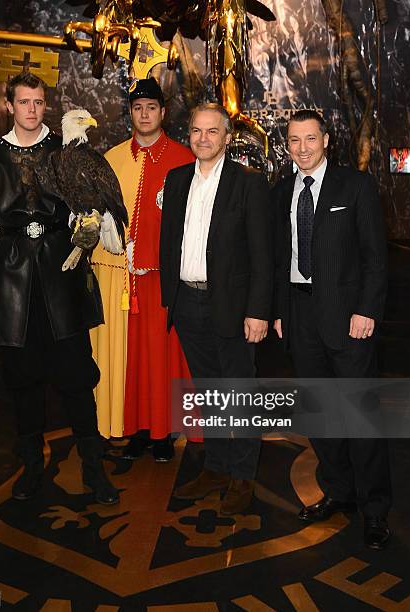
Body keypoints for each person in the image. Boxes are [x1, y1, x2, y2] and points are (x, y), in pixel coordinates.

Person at [0, 71, 118, 505]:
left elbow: (81, 210)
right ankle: (32, 469)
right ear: (9, 106)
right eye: (24, 102)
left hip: (62, 275)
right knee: (23, 380)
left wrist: (84, 226)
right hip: (13, 280)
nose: (32, 110)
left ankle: (94, 470)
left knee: (76, 377)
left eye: (38, 102)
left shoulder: (66, 151)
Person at [272, 109, 391, 549]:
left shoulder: (354, 186)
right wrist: (281, 311)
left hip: (348, 319)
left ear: (326, 141)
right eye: (294, 140)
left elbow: (376, 259)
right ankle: (339, 493)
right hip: (300, 317)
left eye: (310, 139)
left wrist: (366, 311)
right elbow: (279, 257)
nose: (301, 148)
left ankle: (376, 511)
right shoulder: (281, 190)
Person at [160, 103, 273, 515]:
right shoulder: (175, 181)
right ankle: (217, 466)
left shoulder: (248, 183)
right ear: (188, 135)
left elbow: (263, 255)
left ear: (227, 137)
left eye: (212, 132)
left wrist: (258, 311)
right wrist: (170, 296)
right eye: (196, 131)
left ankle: (242, 476)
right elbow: (170, 240)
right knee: (208, 390)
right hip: (187, 303)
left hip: (233, 306)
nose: (203, 139)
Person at [90, 78, 195, 460]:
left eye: (151, 107)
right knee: (129, 359)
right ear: (130, 113)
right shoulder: (113, 158)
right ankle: (134, 429)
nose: (145, 114)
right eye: (138, 108)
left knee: (163, 358)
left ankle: (163, 432)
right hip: (122, 278)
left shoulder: (184, 159)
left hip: (166, 280)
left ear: (163, 112)